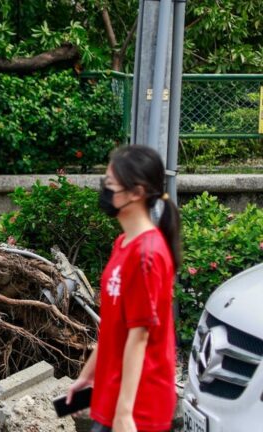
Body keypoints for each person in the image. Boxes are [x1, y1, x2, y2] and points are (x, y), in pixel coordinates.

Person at [65, 145, 181, 432]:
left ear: (136, 193)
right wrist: (87, 376)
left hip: (140, 403)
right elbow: (114, 326)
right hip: (113, 393)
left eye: (111, 184)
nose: (105, 191)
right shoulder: (124, 244)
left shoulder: (147, 256)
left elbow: (139, 336)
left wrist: (125, 413)